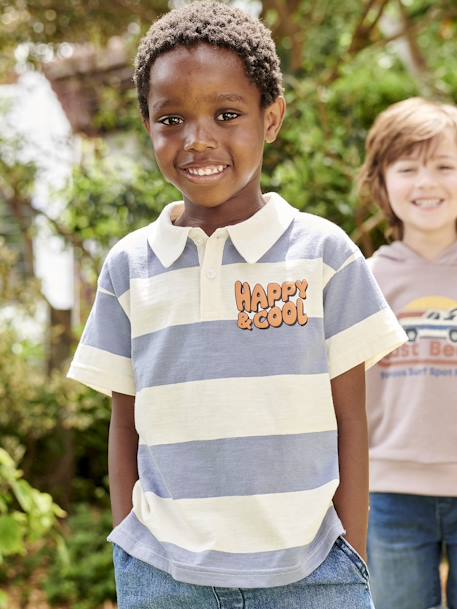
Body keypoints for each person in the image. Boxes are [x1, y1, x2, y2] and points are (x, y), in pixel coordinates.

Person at [68, 2, 405, 607]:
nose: (199, 140)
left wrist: (348, 553)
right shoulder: (128, 267)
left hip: (313, 575)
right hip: (163, 576)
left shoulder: (325, 253)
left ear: (272, 118)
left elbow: (352, 420)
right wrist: (130, 546)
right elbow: (126, 419)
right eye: (172, 118)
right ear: (147, 124)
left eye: (227, 114)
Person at [359, 97, 457, 609]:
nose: (427, 183)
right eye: (408, 167)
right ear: (382, 180)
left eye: (445, 166)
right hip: (392, 491)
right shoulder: (367, 278)